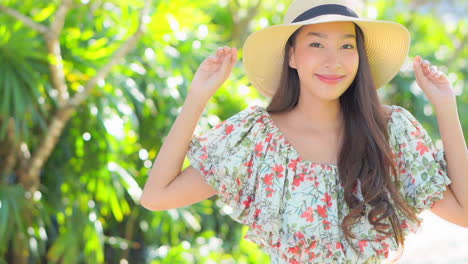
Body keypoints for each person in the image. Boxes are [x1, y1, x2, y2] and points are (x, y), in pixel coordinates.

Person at [141, 0, 468, 263]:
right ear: (292, 55)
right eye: (316, 43)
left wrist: (445, 106)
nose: (333, 61)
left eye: (346, 46)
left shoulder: (391, 131)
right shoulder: (258, 138)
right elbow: (157, 196)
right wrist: (197, 97)